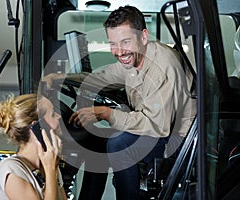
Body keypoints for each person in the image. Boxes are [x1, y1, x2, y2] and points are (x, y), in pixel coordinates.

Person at [44, 5, 196, 200]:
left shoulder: (162, 67)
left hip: (178, 139)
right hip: (157, 126)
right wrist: (61, 77)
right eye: (113, 44)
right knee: (97, 143)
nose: (119, 51)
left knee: (119, 145)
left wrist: (105, 113)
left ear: (143, 37)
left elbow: (156, 125)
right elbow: (105, 77)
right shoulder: (134, 59)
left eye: (125, 42)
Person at [0, 93, 67, 200]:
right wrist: (50, 171)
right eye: (53, 114)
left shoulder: (50, 164)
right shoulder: (12, 169)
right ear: (37, 127)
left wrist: (51, 169)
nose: (59, 117)